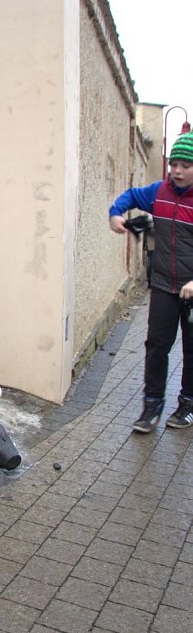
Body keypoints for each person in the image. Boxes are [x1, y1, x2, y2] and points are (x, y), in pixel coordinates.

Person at [109, 130, 193, 433]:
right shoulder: (160, 193)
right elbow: (131, 195)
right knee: (157, 345)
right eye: (174, 164)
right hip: (163, 285)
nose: (178, 171)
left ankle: (187, 404)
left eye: (186, 165)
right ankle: (152, 404)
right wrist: (116, 214)